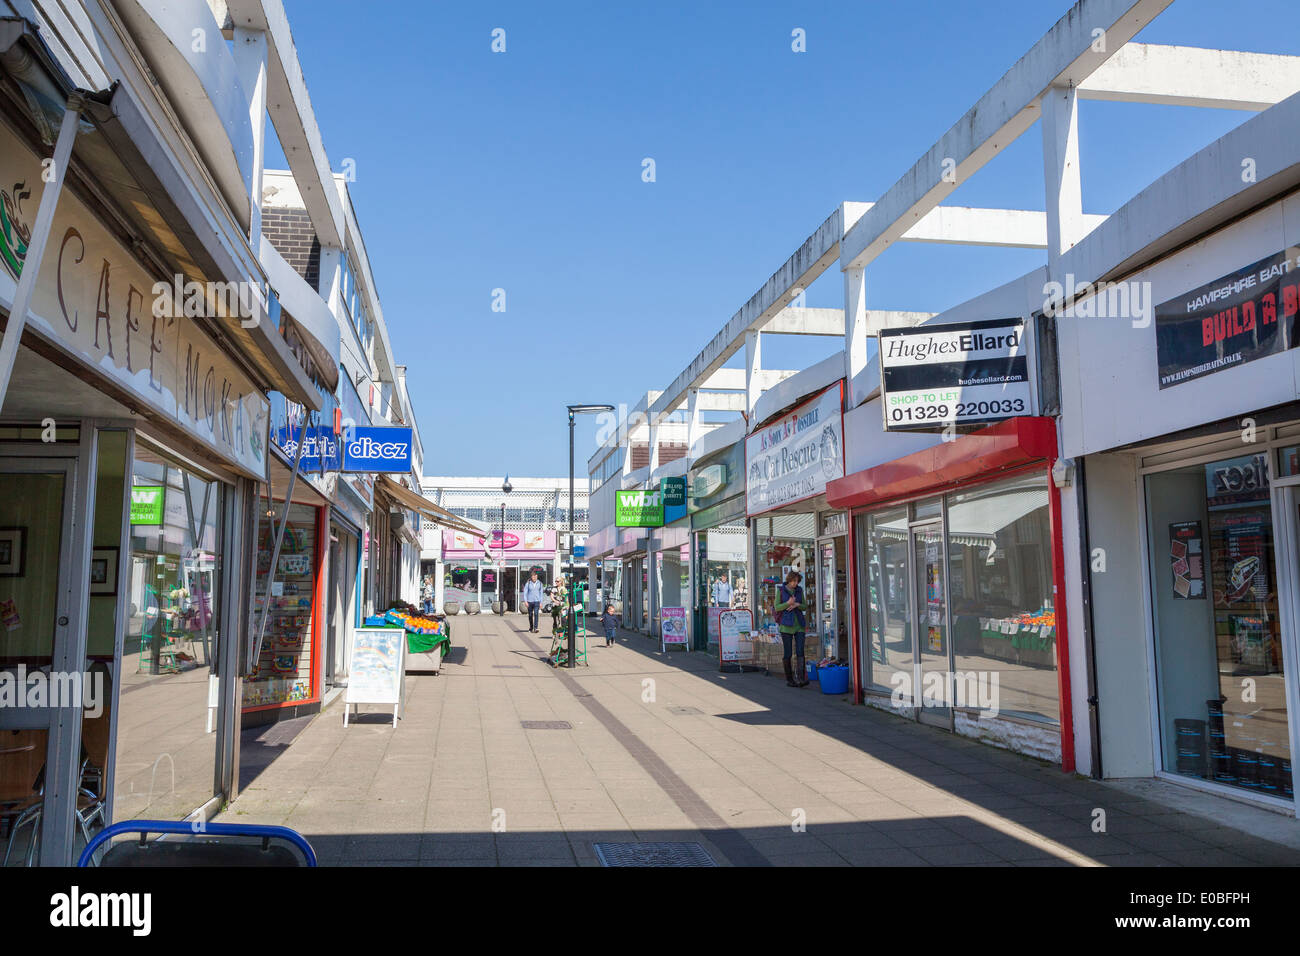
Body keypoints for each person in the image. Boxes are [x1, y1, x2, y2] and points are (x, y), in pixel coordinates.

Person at [777, 570, 809, 688]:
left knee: (800, 651)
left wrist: (797, 605)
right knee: (788, 653)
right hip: (786, 626)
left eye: (797, 581)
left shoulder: (799, 590)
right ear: (789, 580)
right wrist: (788, 603)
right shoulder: (781, 590)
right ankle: (790, 680)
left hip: (799, 625)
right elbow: (777, 607)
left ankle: (801, 678)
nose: (796, 583)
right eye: (794, 581)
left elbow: (805, 606)